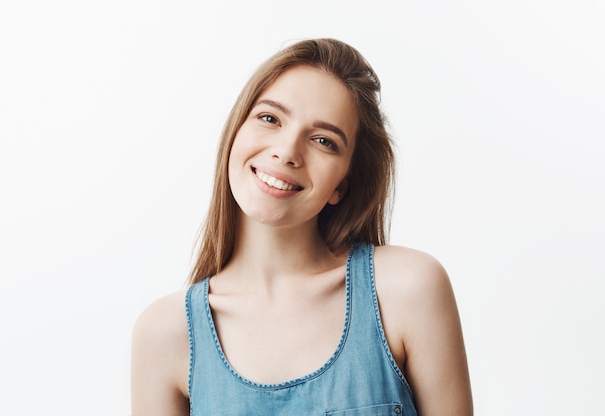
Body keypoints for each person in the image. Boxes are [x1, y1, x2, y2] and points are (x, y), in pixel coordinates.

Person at [131, 38, 473, 416]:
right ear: (236, 131)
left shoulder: (407, 290)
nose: (287, 151)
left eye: (324, 141)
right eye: (270, 118)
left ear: (342, 185)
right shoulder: (165, 334)